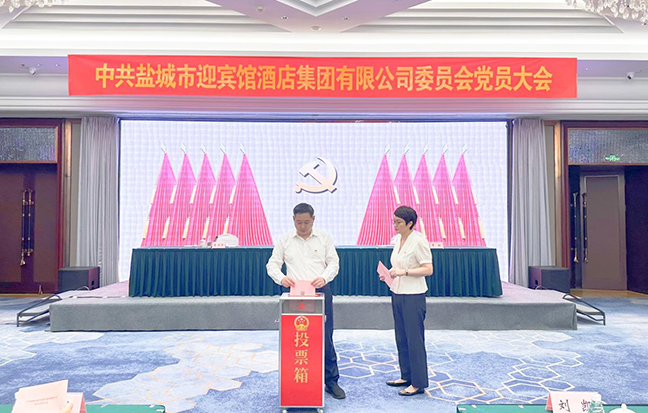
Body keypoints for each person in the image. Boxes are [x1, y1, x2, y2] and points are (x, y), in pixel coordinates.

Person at [266, 202, 346, 400]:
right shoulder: (285, 240)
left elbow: (334, 262)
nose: (302, 226)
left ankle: (331, 381)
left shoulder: (324, 238)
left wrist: (324, 277)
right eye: (299, 222)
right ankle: (295, 379)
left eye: (307, 222)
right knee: (295, 337)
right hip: (294, 293)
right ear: (293, 220)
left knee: (325, 336)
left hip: (320, 292)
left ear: (313, 220)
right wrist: (281, 278)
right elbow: (272, 264)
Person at [379, 205, 433, 396]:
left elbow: (428, 269)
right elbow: (397, 265)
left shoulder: (419, 241)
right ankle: (406, 375)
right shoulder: (398, 240)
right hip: (398, 292)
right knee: (401, 337)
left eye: (399, 222)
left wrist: (404, 272)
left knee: (414, 339)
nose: (395, 225)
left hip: (413, 295)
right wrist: (388, 275)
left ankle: (418, 383)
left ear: (410, 223)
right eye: (394, 221)